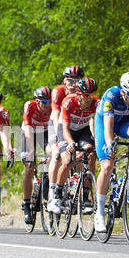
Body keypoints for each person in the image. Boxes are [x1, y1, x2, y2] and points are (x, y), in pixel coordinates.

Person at [94, 72, 129, 232]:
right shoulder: (111, 96)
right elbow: (107, 127)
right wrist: (110, 145)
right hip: (105, 123)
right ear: (124, 92)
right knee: (107, 166)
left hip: (125, 122)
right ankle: (99, 213)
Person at [48, 77, 99, 214]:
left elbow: (96, 124)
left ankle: (86, 196)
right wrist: (70, 143)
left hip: (83, 131)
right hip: (66, 130)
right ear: (78, 94)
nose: (89, 99)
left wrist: (98, 140)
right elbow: (64, 129)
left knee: (91, 154)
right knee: (67, 159)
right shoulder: (68, 102)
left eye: (92, 95)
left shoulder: (96, 103)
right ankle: (57, 195)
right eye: (86, 95)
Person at [48, 65, 85, 207]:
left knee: (83, 154)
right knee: (57, 152)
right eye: (71, 81)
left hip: (76, 126)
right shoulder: (58, 92)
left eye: (78, 81)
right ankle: (53, 193)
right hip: (57, 124)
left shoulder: (83, 93)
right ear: (65, 81)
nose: (74, 85)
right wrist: (60, 139)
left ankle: (76, 187)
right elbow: (56, 116)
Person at [21, 86, 52, 224]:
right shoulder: (29, 106)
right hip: (29, 132)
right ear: (37, 101)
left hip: (45, 132)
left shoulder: (52, 107)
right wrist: (31, 152)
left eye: (49, 102)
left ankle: (49, 189)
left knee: (52, 153)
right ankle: (26, 204)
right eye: (44, 102)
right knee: (29, 165)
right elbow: (27, 131)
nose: (47, 105)